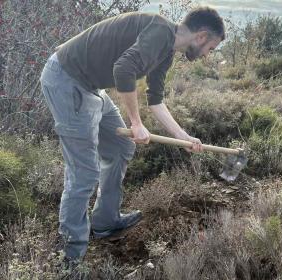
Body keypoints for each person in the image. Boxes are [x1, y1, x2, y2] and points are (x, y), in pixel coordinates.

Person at [39, 6, 225, 262]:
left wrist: (183, 136)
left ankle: (105, 221)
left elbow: (156, 100)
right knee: (84, 173)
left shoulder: (167, 51)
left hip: (91, 87)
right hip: (67, 81)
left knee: (120, 147)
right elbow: (124, 68)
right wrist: (135, 123)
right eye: (210, 48)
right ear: (201, 36)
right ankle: (70, 260)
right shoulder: (160, 30)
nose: (207, 55)